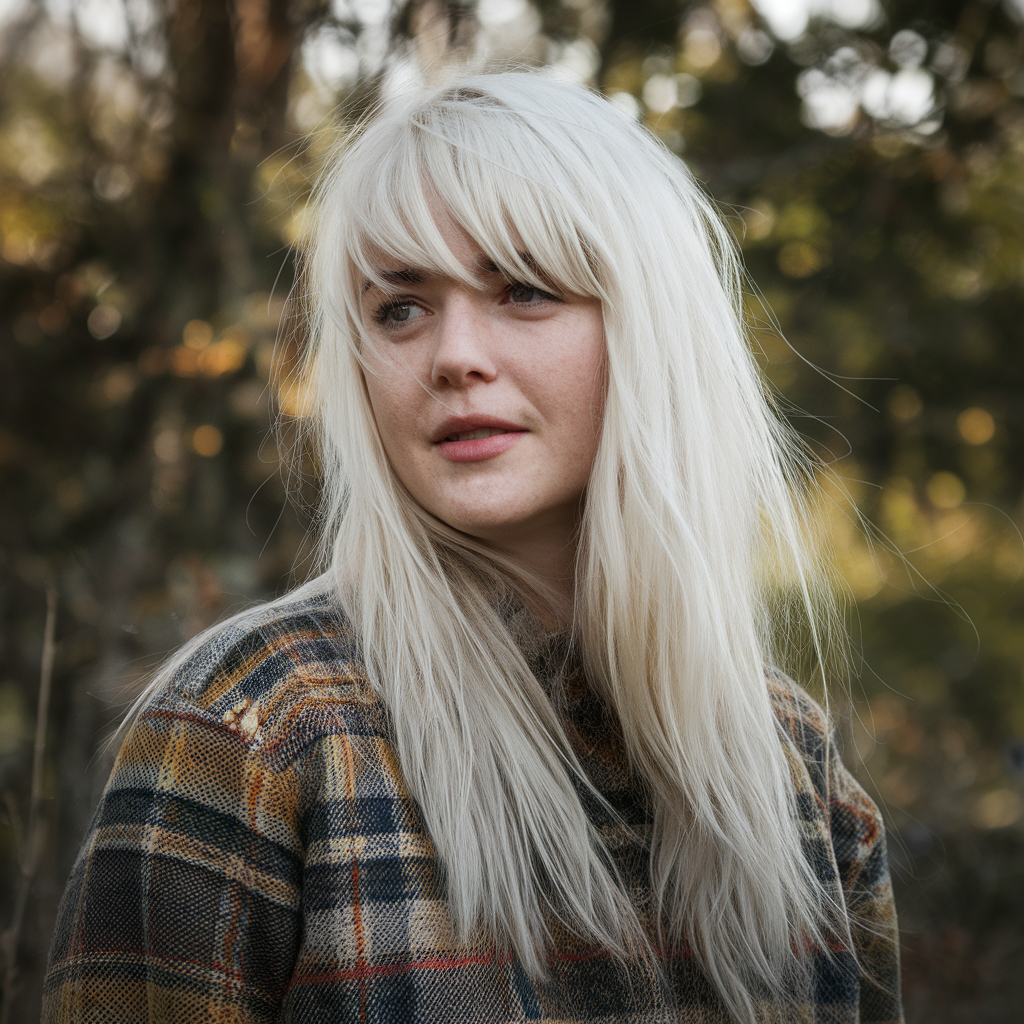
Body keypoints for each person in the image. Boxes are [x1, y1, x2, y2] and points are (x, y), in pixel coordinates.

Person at [42, 72, 902, 1024]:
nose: (454, 354)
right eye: (399, 308)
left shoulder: (794, 771)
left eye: (524, 290)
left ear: (651, 332)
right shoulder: (250, 729)